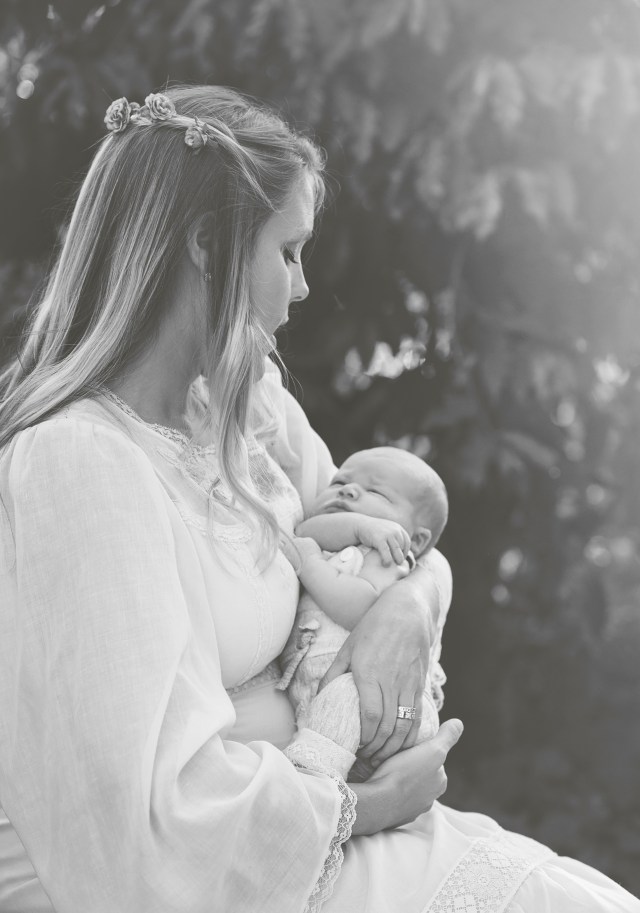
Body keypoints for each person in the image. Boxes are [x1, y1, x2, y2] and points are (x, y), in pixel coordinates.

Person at [0, 85, 637, 913]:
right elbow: (142, 816)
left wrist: (406, 606)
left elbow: (398, 539)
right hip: (215, 872)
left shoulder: (243, 406)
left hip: (304, 827)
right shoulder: (77, 463)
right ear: (207, 246)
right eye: (289, 251)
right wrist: (375, 803)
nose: (301, 287)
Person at [277, 446, 450, 780]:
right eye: (339, 481)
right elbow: (305, 530)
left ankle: (311, 786)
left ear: (416, 540)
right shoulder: (335, 543)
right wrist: (358, 525)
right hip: (318, 697)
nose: (349, 490)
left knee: (327, 740)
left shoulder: (387, 556)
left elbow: (359, 609)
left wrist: (309, 563)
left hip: (359, 690)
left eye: (376, 492)